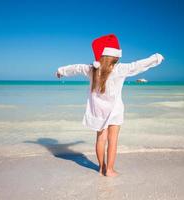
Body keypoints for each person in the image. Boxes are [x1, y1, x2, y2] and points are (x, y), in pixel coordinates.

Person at [55, 34, 164, 177]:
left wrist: (60, 71)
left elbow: (75, 68)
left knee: (101, 139)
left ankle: (101, 168)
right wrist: (156, 58)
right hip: (115, 111)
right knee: (113, 141)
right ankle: (110, 170)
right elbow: (138, 65)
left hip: (98, 111)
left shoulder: (92, 69)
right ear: (115, 55)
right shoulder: (120, 69)